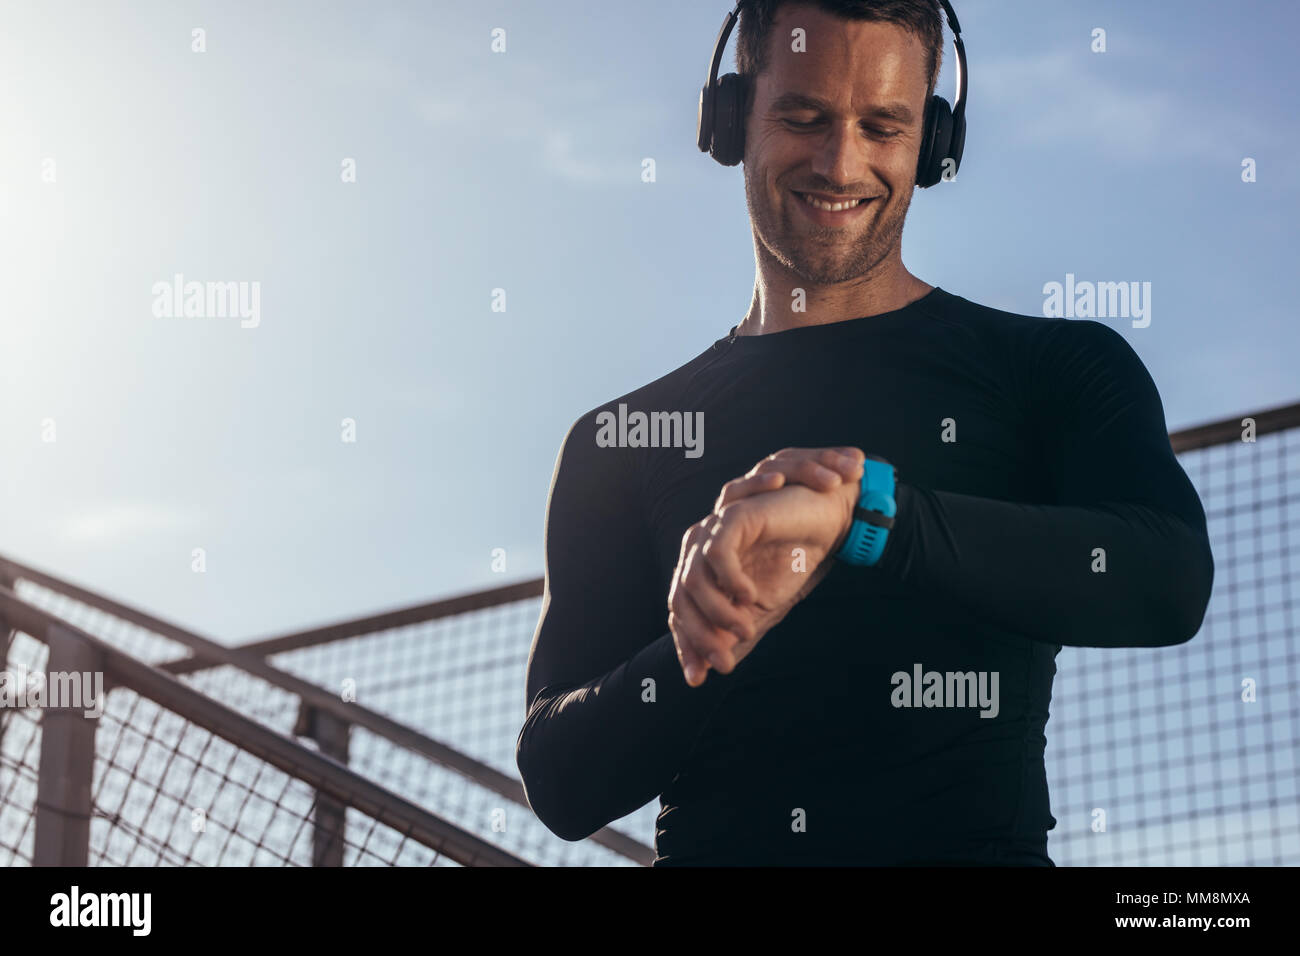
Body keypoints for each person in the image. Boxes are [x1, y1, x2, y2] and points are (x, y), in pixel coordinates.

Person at [515, 0, 1214, 865]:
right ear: (732, 119)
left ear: (934, 143)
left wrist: (871, 522)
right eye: (803, 117)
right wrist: (704, 641)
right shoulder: (619, 439)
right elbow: (560, 781)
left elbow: (1169, 579)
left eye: (883, 126)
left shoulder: (1054, 367)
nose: (840, 162)